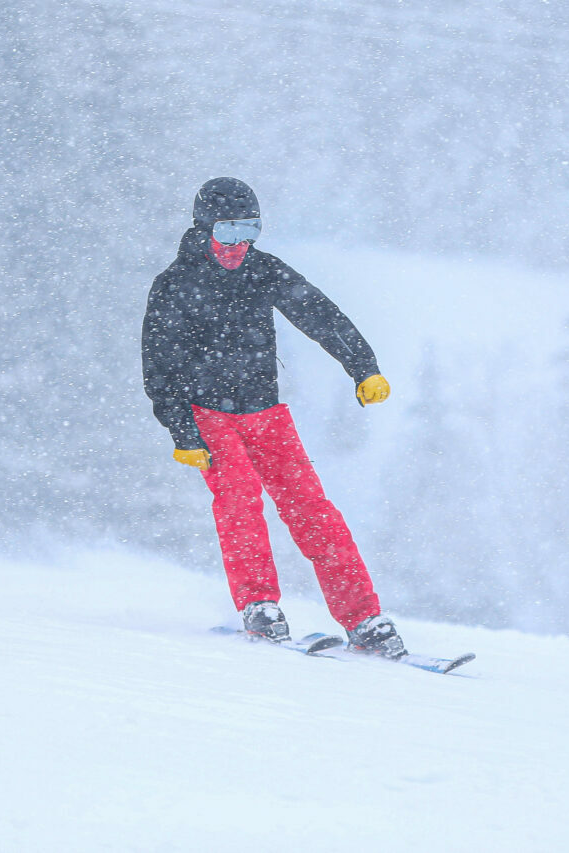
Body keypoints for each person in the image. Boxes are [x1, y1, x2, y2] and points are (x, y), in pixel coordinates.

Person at [142, 177, 406, 658]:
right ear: (204, 229)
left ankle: (364, 618)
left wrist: (362, 367)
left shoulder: (262, 270)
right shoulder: (175, 285)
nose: (239, 242)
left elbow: (320, 314)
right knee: (241, 506)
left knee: (314, 513)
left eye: (250, 228)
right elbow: (160, 368)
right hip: (209, 418)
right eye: (227, 230)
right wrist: (183, 430)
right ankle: (260, 607)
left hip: (268, 415)